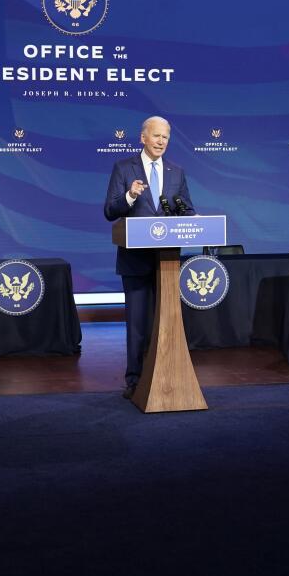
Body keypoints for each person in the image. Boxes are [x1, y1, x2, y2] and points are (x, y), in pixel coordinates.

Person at [103, 116, 195, 399]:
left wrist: (194, 220)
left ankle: (165, 374)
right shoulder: (123, 168)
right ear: (143, 138)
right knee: (138, 324)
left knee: (165, 322)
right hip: (135, 261)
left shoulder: (176, 172)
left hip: (167, 263)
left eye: (165, 137)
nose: (161, 141)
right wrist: (129, 196)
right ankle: (135, 380)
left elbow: (187, 210)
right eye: (156, 136)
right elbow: (109, 211)